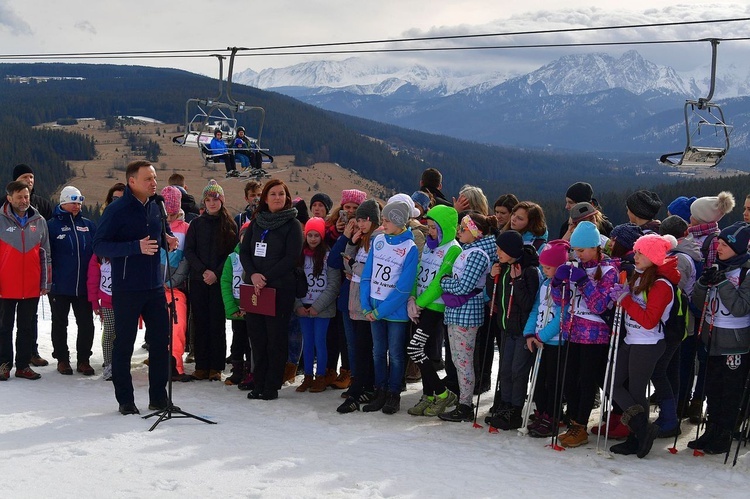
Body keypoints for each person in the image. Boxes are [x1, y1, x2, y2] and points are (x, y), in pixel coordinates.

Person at [92, 160, 179, 415]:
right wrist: (134, 247)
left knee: (160, 343)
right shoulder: (116, 210)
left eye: (154, 178)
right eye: (148, 179)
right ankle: (126, 401)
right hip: (127, 289)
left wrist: (167, 241)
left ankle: (158, 398)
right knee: (125, 345)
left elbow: (162, 234)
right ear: (132, 181)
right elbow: (100, 246)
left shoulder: (157, 205)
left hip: (154, 287)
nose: (154, 183)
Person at [607, 234, 677, 458]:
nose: (635, 256)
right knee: (612, 384)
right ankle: (642, 430)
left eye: (641, 252)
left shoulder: (662, 285)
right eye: (636, 251)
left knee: (636, 390)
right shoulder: (638, 276)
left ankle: (637, 437)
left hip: (648, 342)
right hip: (632, 339)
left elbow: (649, 320)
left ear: (654, 256)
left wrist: (625, 299)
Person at [550, 221, 617, 448]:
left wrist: (583, 281)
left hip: (595, 334)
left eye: (581, 250)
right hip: (572, 329)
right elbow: (561, 301)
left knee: (586, 380)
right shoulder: (575, 264)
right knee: (569, 378)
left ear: (595, 247)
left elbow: (600, 305)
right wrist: (557, 284)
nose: (577, 254)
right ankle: (573, 421)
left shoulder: (608, 270)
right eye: (575, 250)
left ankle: (580, 425)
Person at [689, 222, 750, 455]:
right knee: (712, 388)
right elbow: (697, 301)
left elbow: (740, 307)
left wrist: (722, 282)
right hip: (711, 339)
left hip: (735, 343)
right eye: (719, 242)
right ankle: (711, 429)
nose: (719, 247)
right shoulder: (718, 266)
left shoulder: (746, 272)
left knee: (730, 390)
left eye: (725, 244)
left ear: (739, 248)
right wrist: (704, 283)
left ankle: (724, 432)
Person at [240, 179, 304, 401]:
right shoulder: (257, 223)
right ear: (265, 198)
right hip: (255, 289)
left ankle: (272, 385)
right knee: (257, 339)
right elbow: (244, 252)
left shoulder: (293, 224)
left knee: (275, 339)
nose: (278, 198)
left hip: (279, 289)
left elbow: (291, 258)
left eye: (281, 194)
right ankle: (258, 382)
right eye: (273, 194)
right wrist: (254, 274)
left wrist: (266, 277)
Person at [360, 200, 419, 415]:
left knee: (395, 354)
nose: (382, 224)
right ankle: (380, 391)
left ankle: (394, 393)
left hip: (394, 312)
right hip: (373, 308)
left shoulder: (410, 248)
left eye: (386, 220)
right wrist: (366, 305)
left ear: (398, 221)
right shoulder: (378, 241)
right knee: (377, 352)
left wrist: (379, 311)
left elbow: (403, 289)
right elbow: (367, 275)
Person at [437, 213, 498, 421]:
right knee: (457, 359)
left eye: (463, 229)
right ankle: (463, 400)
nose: (459, 233)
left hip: (466, 314)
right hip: (456, 312)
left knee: (464, 362)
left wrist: (444, 283)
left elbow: (464, 286)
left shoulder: (477, 254)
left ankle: (465, 405)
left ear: (475, 232)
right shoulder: (467, 251)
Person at [406, 205, 461, 416]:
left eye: (434, 228)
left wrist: (419, 303)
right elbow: (419, 271)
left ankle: (444, 394)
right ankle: (428, 396)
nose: (431, 231)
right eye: (429, 227)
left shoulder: (453, 248)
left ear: (445, 228)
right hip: (419, 304)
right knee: (424, 351)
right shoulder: (429, 245)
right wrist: (412, 298)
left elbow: (439, 282)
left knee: (414, 349)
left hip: (434, 307)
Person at [486, 230, 540, 429]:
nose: (497, 252)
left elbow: (528, 303)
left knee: (518, 371)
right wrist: (492, 278)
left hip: (522, 330)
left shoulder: (529, 271)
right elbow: (494, 293)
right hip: (506, 328)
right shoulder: (504, 267)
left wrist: (517, 282)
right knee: (505, 370)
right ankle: (505, 405)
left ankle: (516, 409)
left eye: (501, 249)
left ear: (511, 250)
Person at [184, 180, 237, 381]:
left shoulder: (229, 224)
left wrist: (215, 272)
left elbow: (231, 253)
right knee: (200, 322)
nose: (212, 203)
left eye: (216, 199)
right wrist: (203, 270)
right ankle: (201, 364)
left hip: (219, 281)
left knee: (216, 323)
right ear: (204, 202)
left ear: (221, 201)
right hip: (198, 280)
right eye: (208, 199)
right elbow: (189, 250)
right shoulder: (196, 224)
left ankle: (216, 366)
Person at [0, 180, 51, 381]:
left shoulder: (39, 221)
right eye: (19, 197)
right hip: (5, 286)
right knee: (4, 327)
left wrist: (45, 283)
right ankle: (4, 365)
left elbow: (46, 254)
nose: (24, 200)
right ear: (9, 198)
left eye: (27, 196)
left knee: (26, 328)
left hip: (30, 286)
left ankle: (22, 366)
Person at [335, 199, 382, 413]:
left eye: (367, 219)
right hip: (354, 303)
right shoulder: (361, 241)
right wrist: (352, 245)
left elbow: (368, 272)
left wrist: (353, 266)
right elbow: (346, 263)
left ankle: (358, 390)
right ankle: (364, 386)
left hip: (367, 305)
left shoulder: (378, 241)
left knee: (365, 349)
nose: (362, 224)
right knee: (359, 348)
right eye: (360, 219)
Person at [47, 186, 97, 376]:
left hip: (84, 285)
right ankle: (62, 359)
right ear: (63, 203)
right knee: (59, 323)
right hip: (60, 285)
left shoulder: (88, 224)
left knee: (86, 323)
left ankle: (84, 359)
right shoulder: (51, 225)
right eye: (73, 202)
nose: (77, 206)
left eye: (79, 202)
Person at [522, 240, 570, 437]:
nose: (544, 270)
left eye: (548, 267)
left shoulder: (566, 286)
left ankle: (553, 415)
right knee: (539, 381)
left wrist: (542, 335)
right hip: (539, 341)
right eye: (543, 266)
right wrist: (530, 333)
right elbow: (536, 308)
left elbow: (563, 316)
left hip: (555, 342)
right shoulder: (544, 284)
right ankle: (541, 411)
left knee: (554, 381)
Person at [294, 217, 341, 393]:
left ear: (322, 236)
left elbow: (333, 284)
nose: (313, 239)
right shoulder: (299, 256)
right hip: (303, 307)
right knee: (307, 342)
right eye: (310, 235)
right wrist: (298, 305)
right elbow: (293, 282)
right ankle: (307, 377)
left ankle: (320, 376)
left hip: (322, 309)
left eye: (316, 235)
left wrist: (317, 307)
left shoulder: (329, 256)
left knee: (320, 342)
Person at [13, 164, 52, 367]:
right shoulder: (3, 206)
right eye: (24, 176)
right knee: (5, 320)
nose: (29, 180)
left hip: (31, 273)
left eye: (31, 176)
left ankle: (31, 352)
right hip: (8, 275)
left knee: (30, 319)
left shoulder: (43, 206)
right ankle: (4, 358)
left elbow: (48, 241)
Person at [159, 185, 191, 382]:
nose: (169, 214)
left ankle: (175, 367)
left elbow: (186, 259)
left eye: (172, 209)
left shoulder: (186, 229)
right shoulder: (153, 225)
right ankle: (159, 364)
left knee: (176, 328)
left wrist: (172, 281)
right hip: (153, 287)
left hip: (175, 287)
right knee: (158, 329)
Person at [221, 222, 253, 386]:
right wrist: (232, 307)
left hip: (253, 308)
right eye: (243, 236)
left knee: (251, 343)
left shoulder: (258, 258)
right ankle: (237, 371)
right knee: (238, 341)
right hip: (236, 307)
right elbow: (225, 282)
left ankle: (250, 371)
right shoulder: (232, 258)